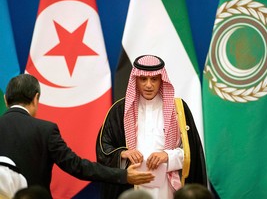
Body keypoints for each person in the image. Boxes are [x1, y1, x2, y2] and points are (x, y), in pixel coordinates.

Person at [0, 74, 154, 197]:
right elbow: (77, 167)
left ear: (6, 100)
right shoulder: (45, 130)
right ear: (36, 98)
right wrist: (123, 175)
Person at [96, 55, 207, 199]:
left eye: (154, 79)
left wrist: (168, 156)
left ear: (162, 80)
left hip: (167, 187)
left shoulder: (178, 109)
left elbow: (192, 151)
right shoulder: (119, 110)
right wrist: (123, 154)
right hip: (130, 186)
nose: (149, 85)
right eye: (143, 79)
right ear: (135, 80)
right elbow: (103, 149)